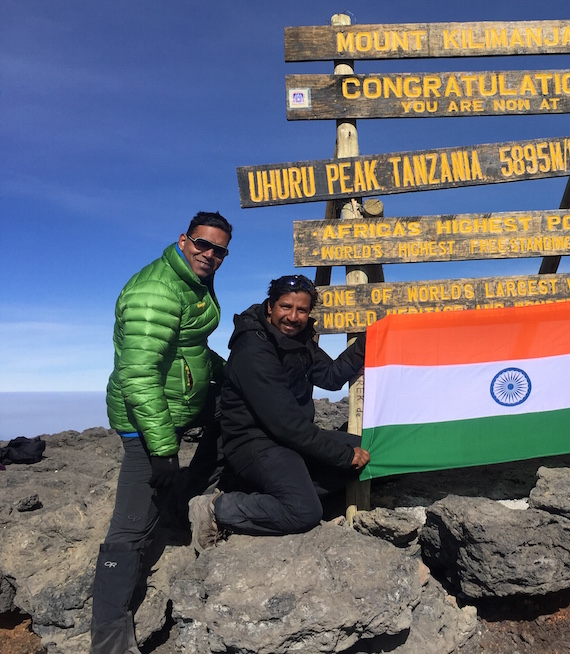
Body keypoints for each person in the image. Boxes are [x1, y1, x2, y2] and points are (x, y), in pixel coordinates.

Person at [91, 211, 232, 654]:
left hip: (181, 403)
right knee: (130, 529)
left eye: (219, 249)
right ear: (183, 240)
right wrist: (163, 449)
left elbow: (193, 347)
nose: (209, 254)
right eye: (202, 244)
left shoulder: (195, 282)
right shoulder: (155, 291)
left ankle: (180, 504)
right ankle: (109, 639)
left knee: (241, 421)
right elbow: (137, 375)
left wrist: (235, 378)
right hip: (146, 421)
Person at [188, 274, 368, 551]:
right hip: (255, 443)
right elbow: (287, 425)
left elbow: (331, 377)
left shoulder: (299, 341)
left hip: (287, 440)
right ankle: (215, 507)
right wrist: (343, 457)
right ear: (270, 306)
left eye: (302, 310)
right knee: (304, 511)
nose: (293, 317)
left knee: (371, 450)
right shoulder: (254, 349)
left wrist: (368, 343)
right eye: (286, 307)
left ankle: (271, 491)